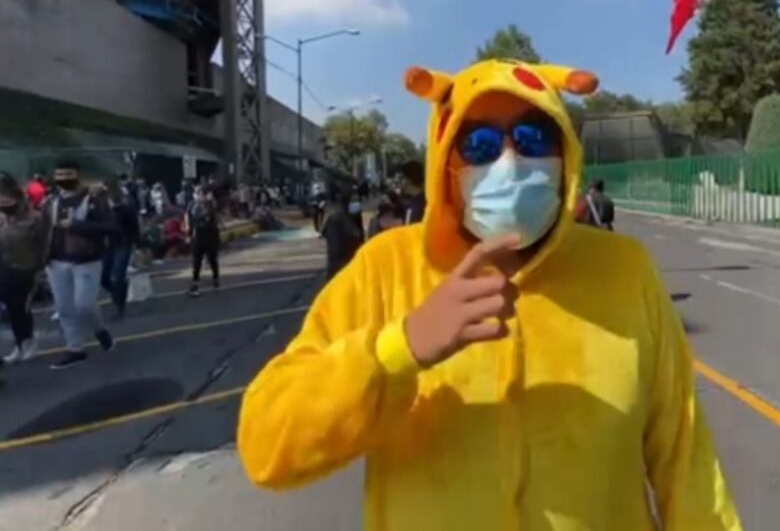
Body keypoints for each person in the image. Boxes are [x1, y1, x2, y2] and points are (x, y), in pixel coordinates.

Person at [237, 60, 739, 530]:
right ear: (445, 161)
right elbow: (267, 447)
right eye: (478, 144)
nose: (510, 161)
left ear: (565, 154)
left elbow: (688, 465)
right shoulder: (384, 270)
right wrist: (400, 348)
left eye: (533, 137)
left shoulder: (625, 270)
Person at [43, 160, 116, 370]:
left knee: (84, 304)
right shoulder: (51, 201)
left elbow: (111, 227)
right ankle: (75, 348)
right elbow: (43, 230)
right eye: (59, 175)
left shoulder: (94, 198)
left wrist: (77, 226)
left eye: (68, 174)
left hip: (86, 260)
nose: (64, 179)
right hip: (56, 261)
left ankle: (100, 329)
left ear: (78, 175)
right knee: (64, 307)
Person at [0, 174, 45, 362]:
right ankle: (20, 343)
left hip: (28, 268)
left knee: (21, 306)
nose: (3, 204)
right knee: (11, 308)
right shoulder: (3, 219)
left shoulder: (35, 219)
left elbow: (44, 244)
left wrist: (41, 270)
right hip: (6, 266)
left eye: (7, 201)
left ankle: (29, 340)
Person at [101, 177, 140, 319]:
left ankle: (118, 305)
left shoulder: (126, 207)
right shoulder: (103, 209)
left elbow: (134, 227)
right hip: (108, 245)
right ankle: (119, 291)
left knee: (118, 274)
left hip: (123, 244)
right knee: (103, 277)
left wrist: (136, 243)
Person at [185, 186, 221, 297]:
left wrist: (207, 202)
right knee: (197, 262)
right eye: (197, 193)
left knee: (212, 260)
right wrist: (189, 233)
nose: (199, 195)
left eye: (201, 193)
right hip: (198, 237)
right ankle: (195, 285)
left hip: (209, 236)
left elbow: (212, 217)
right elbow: (188, 218)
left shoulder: (209, 204)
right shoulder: (192, 205)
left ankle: (215, 279)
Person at [320, 192, 363, 280]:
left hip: (354, 263)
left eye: (357, 201)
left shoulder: (355, 217)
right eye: (353, 201)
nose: (357, 204)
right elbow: (335, 246)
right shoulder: (336, 219)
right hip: (340, 264)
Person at [397, 160, 426, 224]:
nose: (398, 182)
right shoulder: (422, 201)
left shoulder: (418, 206)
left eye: (401, 178)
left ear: (408, 180)